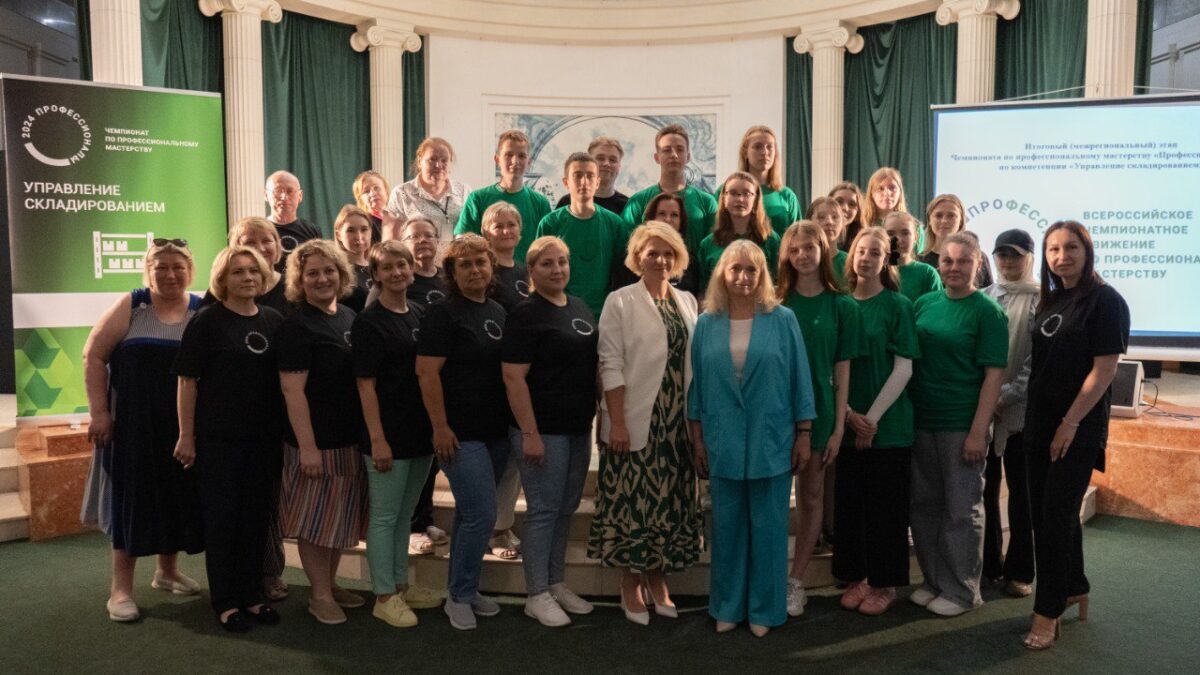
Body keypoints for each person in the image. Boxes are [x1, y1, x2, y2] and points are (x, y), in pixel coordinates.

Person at [688, 240, 815, 637]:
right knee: (726, 528)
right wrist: (697, 440)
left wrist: (804, 434)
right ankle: (727, 605)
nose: (743, 277)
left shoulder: (783, 319)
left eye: (752, 270)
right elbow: (697, 386)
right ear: (722, 274)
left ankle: (764, 609)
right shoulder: (707, 322)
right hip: (722, 439)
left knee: (770, 528)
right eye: (735, 269)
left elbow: (801, 379)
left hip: (772, 438)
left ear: (762, 275)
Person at [82, 239, 205, 622]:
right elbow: (94, 355)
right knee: (130, 503)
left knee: (174, 495)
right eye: (161, 266)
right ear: (147, 271)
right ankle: (120, 590)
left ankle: (166, 573)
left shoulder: (201, 310)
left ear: (190, 271)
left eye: (178, 266)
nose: (170, 274)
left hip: (183, 427)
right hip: (133, 427)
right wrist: (99, 412)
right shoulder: (132, 306)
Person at [1022, 221, 1129, 650]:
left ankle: (1047, 612)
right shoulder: (1053, 300)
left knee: (1055, 518)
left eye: (1070, 248)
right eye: (1053, 250)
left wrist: (1069, 423)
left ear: (1087, 252)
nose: (1061, 256)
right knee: (1048, 515)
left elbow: (1104, 371)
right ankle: (1074, 584)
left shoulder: (1106, 301)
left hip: (1077, 428)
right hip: (1038, 425)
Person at [589, 222, 702, 625]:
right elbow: (611, 363)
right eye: (652, 253)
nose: (660, 259)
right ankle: (630, 583)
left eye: (668, 253)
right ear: (637, 257)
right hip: (635, 418)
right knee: (633, 504)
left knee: (669, 504)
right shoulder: (619, 301)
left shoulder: (687, 301)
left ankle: (657, 579)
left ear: (678, 258)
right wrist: (616, 422)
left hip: (676, 424)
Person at [174, 246, 284, 632]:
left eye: (253, 270)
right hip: (219, 440)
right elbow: (187, 381)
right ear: (223, 279)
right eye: (238, 272)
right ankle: (225, 602)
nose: (248, 277)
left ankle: (252, 595)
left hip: (263, 441)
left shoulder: (272, 319)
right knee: (223, 522)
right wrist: (186, 435)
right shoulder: (207, 322)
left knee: (255, 519)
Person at [415, 234, 512, 631]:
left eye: (481, 263)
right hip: (459, 433)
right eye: (465, 264)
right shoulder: (443, 313)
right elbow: (426, 372)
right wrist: (439, 427)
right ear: (452, 272)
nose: (475, 270)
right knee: (479, 513)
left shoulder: (498, 311)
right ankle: (457, 595)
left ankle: (470, 589)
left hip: (496, 431)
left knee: (483, 516)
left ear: (491, 267)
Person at [908, 232, 1008, 617]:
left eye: (962, 261)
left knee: (961, 510)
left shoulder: (988, 312)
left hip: (960, 423)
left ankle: (963, 590)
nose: (953, 268)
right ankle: (934, 580)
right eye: (947, 260)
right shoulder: (924, 303)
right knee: (925, 505)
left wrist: (978, 430)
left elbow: (993, 377)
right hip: (922, 420)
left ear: (977, 263)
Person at [502, 236, 599, 627]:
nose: (557, 269)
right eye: (547, 264)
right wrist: (529, 433)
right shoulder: (526, 313)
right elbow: (513, 377)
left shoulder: (578, 306)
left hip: (578, 427)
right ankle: (535, 593)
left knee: (565, 508)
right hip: (542, 430)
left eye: (562, 262)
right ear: (532, 270)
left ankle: (555, 582)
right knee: (543, 511)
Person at [276, 239, 368, 625]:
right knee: (315, 521)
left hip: (347, 438)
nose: (322, 278)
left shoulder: (347, 316)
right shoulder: (296, 325)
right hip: (315, 442)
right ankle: (318, 595)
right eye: (311, 273)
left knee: (338, 519)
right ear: (299, 279)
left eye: (329, 270)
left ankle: (329, 584)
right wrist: (308, 448)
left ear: (342, 273)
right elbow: (291, 390)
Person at [352, 241, 443, 629]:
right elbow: (365, 386)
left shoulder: (420, 312)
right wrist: (377, 439)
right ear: (375, 275)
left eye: (402, 265)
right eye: (387, 267)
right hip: (387, 435)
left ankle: (402, 584)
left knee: (406, 515)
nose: (397, 272)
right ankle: (384, 595)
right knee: (386, 516)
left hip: (419, 432)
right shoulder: (369, 322)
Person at [832, 228, 920, 616]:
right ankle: (856, 576)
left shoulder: (897, 305)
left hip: (888, 426)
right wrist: (849, 415)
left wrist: (871, 419)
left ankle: (884, 583)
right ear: (851, 257)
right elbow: (832, 367)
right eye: (860, 251)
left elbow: (904, 368)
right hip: (847, 424)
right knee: (850, 506)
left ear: (887, 260)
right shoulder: (840, 304)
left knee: (886, 510)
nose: (866, 258)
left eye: (875, 253)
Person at [776, 222, 862, 616]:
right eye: (795, 249)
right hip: (775, 414)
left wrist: (839, 425)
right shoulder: (774, 301)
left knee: (811, 498)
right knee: (774, 500)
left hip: (822, 413)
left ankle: (795, 581)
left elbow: (842, 370)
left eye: (809, 248)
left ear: (823, 251)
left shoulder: (841, 304)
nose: (802, 255)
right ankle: (769, 574)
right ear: (786, 256)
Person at [981, 229, 1039, 597]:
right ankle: (988, 565)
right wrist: (986, 400)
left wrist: (1004, 398)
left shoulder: (1042, 300)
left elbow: (1037, 361)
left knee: (1022, 495)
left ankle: (1020, 571)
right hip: (982, 413)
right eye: (1002, 255)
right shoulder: (985, 298)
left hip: (1022, 415)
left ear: (1030, 258)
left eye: (1016, 255)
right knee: (984, 493)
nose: (1008, 262)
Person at [394, 217, 450, 555]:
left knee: (431, 456)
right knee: (412, 453)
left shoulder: (446, 280)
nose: (423, 241)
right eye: (414, 236)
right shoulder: (400, 281)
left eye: (429, 235)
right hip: (405, 382)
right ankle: (411, 524)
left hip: (441, 380)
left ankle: (424, 514)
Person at [480, 201, 527, 559]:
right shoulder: (484, 272)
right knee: (494, 458)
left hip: (522, 377)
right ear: (487, 232)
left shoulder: (527, 272)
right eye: (499, 226)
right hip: (490, 378)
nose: (506, 230)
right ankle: (486, 527)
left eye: (512, 225)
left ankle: (502, 524)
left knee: (513, 459)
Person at [536, 151, 627, 317]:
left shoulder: (615, 224)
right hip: (561, 313)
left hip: (603, 315)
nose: (584, 182)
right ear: (566, 182)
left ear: (597, 181)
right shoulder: (550, 223)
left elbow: (622, 274)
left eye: (590, 176)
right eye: (577, 175)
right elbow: (539, 272)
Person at [622, 124, 718, 257]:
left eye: (680, 149)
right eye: (667, 150)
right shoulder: (637, 202)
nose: (674, 155)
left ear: (688, 156)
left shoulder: (707, 202)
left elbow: (713, 250)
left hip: (694, 276)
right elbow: (628, 249)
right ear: (657, 157)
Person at [455, 129, 551, 261]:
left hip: (528, 278)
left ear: (529, 162)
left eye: (521, 156)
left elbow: (547, 248)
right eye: (509, 155)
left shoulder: (540, 203)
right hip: (489, 278)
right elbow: (462, 244)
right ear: (497, 159)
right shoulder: (478, 199)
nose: (515, 161)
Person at [711, 126, 800, 236]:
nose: (764, 152)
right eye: (758, 147)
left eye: (770, 147)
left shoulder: (787, 196)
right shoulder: (726, 191)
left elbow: (797, 237)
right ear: (745, 152)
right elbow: (714, 230)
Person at [697, 172, 781, 290]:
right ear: (723, 198)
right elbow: (702, 290)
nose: (740, 199)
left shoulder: (770, 239)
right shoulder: (708, 243)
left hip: (760, 307)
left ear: (756, 199)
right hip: (719, 307)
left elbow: (776, 284)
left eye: (746, 194)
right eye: (733, 193)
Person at [198, 217, 293, 316]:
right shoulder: (224, 286)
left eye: (266, 241)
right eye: (250, 242)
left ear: (277, 245)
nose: (260, 249)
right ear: (236, 248)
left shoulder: (293, 286)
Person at [388, 137, 471, 244]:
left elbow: (472, 234)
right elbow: (392, 241)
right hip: (416, 259)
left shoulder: (464, 191)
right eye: (432, 159)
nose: (438, 165)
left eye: (444, 160)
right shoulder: (401, 193)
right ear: (419, 161)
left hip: (457, 259)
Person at [920, 194, 994, 288]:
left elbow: (989, 296)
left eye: (951, 215)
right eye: (938, 215)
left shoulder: (978, 258)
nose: (944, 221)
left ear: (961, 221)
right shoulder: (919, 261)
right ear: (930, 221)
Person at [554, 136, 629, 215]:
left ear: (619, 166)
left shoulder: (628, 207)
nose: (607, 163)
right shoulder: (567, 203)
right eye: (600, 158)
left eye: (612, 160)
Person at [643, 192, 700, 294]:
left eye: (674, 215)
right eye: (662, 213)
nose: (668, 219)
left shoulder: (690, 261)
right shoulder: (638, 255)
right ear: (652, 218)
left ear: (681, 221)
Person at [265, 170, 322, 270]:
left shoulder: (312, 231)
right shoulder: (259, 231)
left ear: (300, 196)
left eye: (290, 191)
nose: (284, 197)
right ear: (266, 195)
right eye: (277, 191)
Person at [883, 212, 943, 303]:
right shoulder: (875, 272)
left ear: (915, 237)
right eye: (891, 233)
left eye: (905, 233)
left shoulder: (927, 274)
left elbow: (937, 311)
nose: (898, 240)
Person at [333, 204, 375, 312]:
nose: (359, 236)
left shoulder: (378, 267)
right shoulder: (335, 271)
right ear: (338, 235)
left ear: (371, 232)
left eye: (364, 229)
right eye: (350, 230)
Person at [806, 196, 849, 282]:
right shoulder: (803, 260)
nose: (829, 222)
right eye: (821, 217)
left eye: (835, 217)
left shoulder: (849, 262)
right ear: (809, 222)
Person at [352, 170, 392, 243]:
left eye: (376, 188)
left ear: (386, 190)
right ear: (360, 198)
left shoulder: (398, 217)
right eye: (366, 191)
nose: (372, 194)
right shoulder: (365, 223)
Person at [830, 181, 866, 251]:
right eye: (839, 201)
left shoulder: (864, 243)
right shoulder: (815, 238)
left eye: (852, 204)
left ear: (857, 214)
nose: (845, 208)